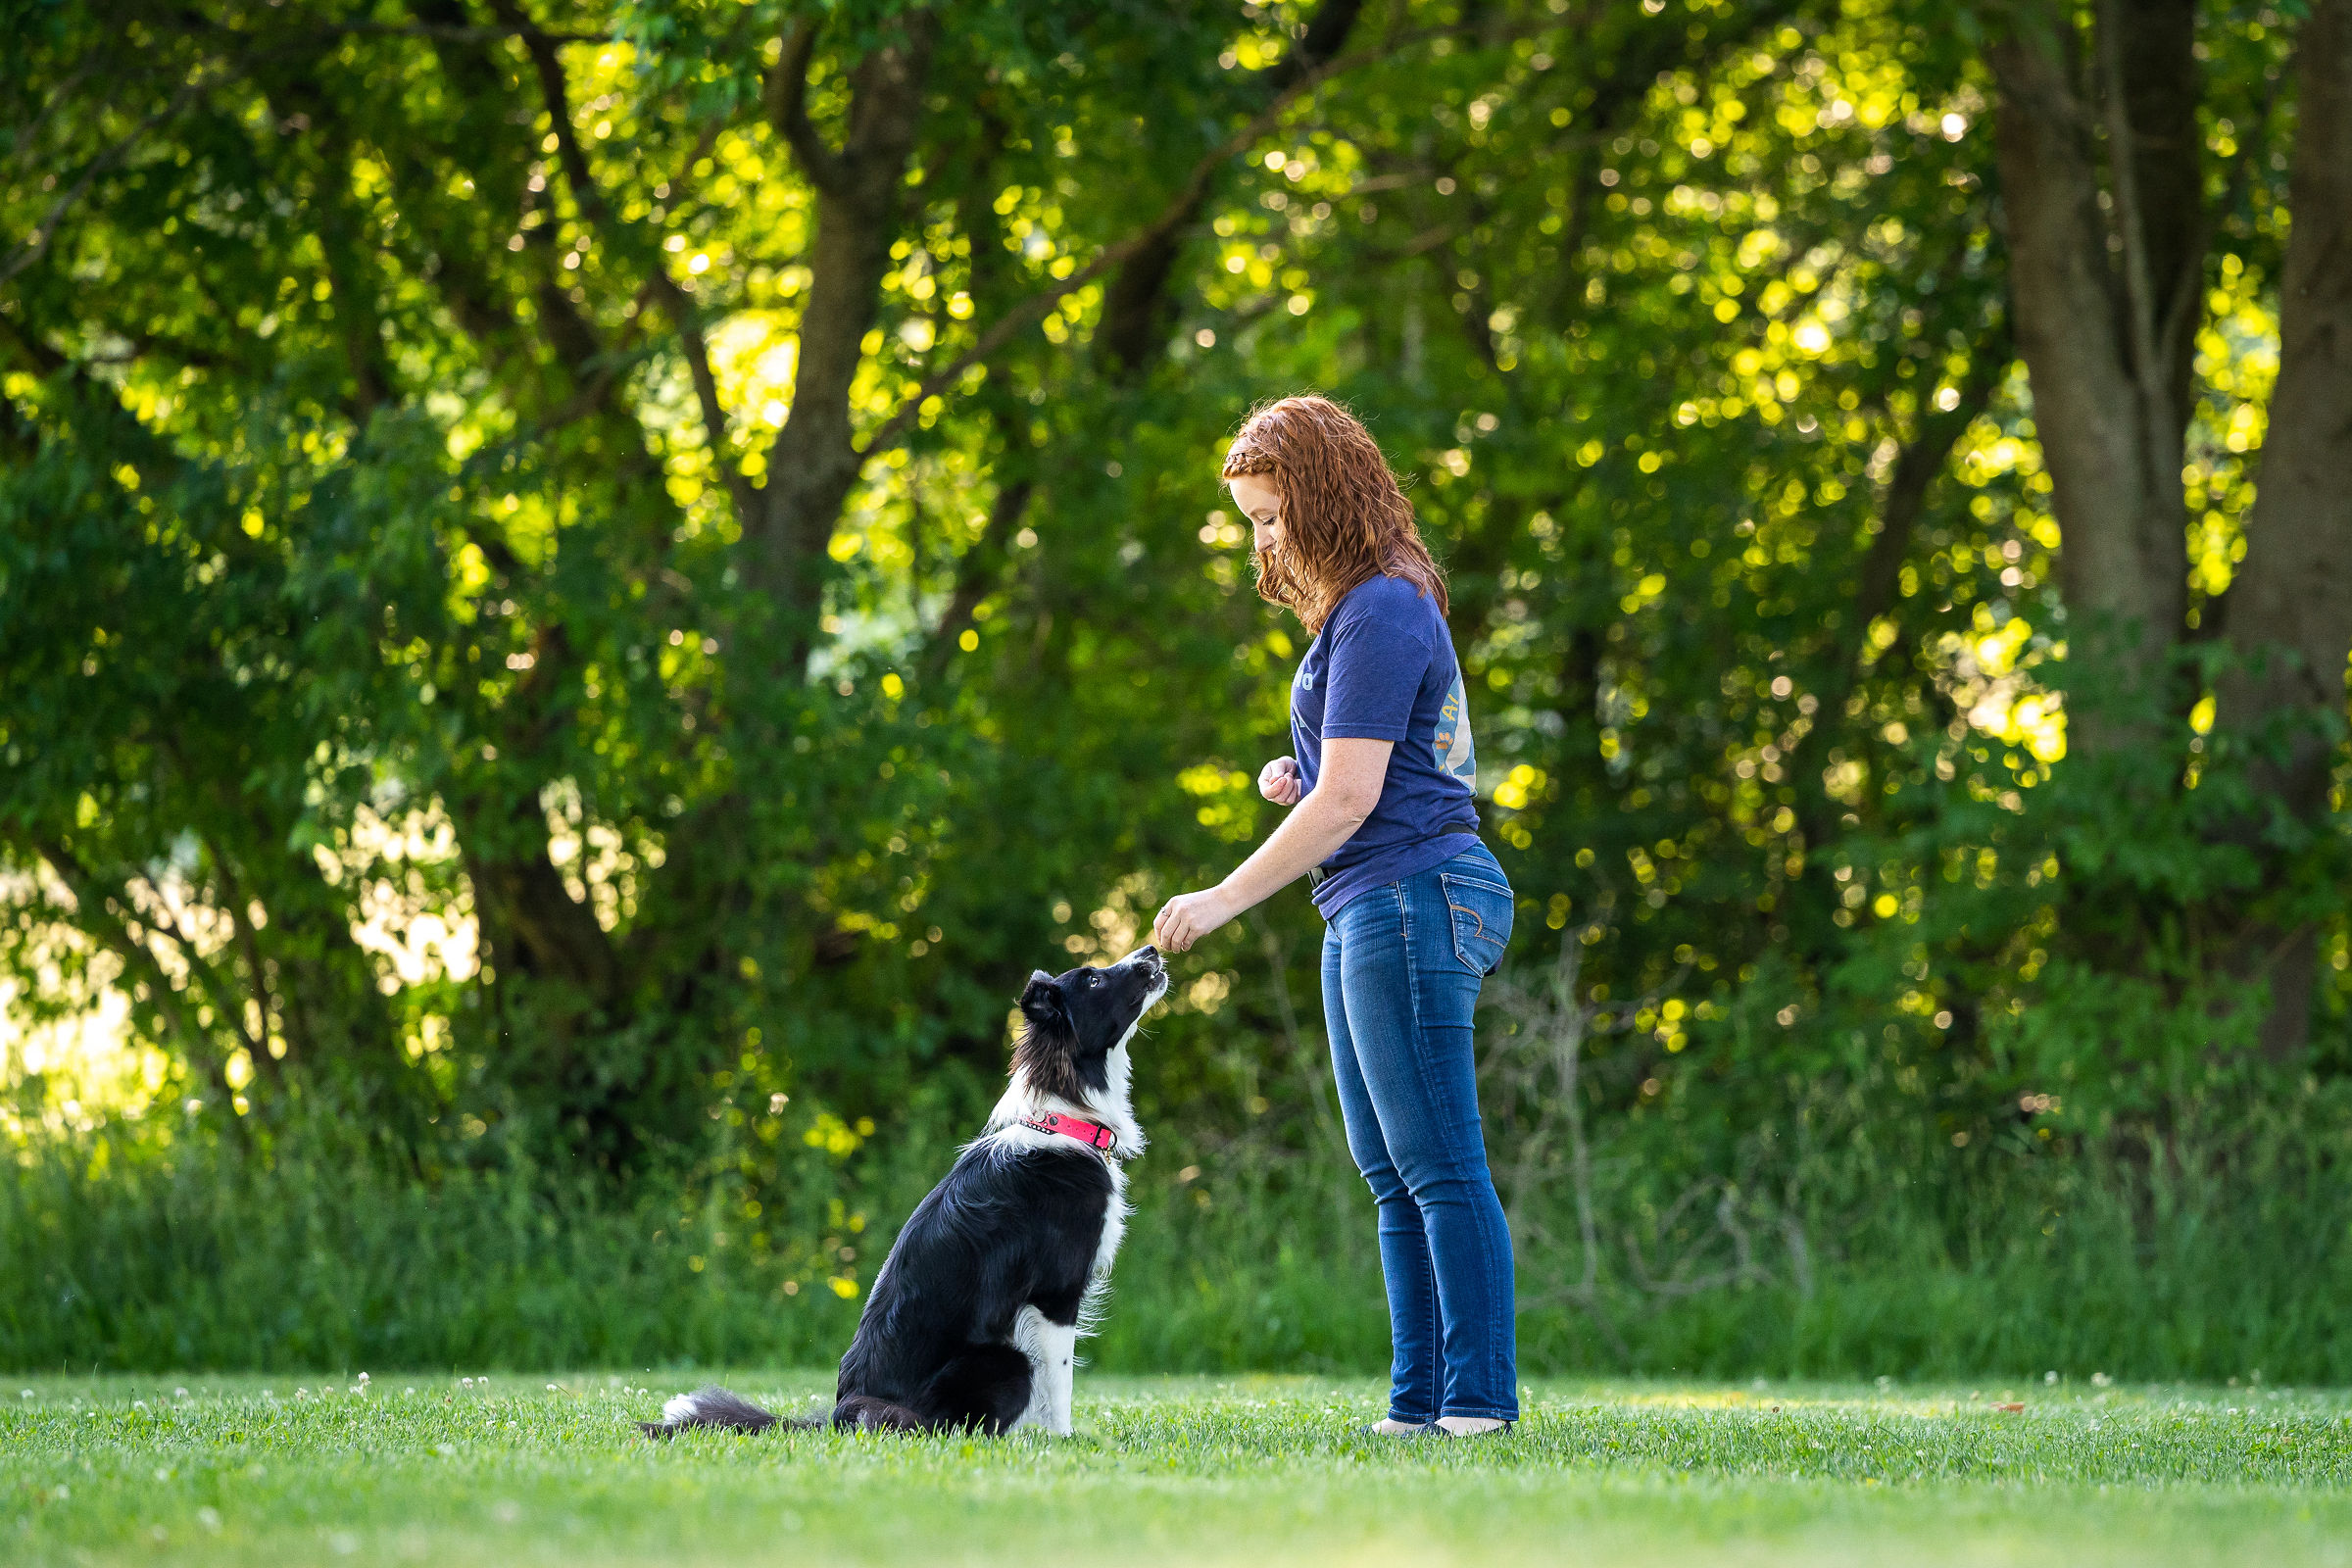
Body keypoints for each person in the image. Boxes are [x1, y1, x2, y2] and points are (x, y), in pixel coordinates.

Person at [1152, 395, 1518, 1439]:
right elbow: (1353, 770)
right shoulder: (1360, 612)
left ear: (1319, 494)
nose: (1264, 542)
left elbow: (1356, 800)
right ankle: (1418, 1408)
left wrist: (1223, 897)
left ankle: (1479, 1405)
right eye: (1253, 522)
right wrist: (1296, 771)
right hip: (1368, 896)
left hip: (1414, 890)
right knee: (1392, 1171)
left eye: (1272, 516)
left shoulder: (1385, 605)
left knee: (1441, 1162)